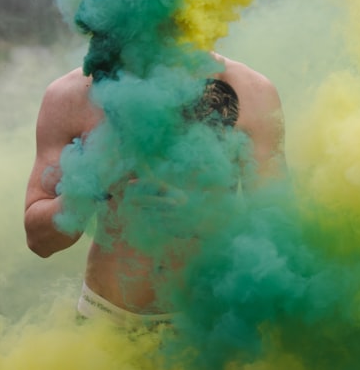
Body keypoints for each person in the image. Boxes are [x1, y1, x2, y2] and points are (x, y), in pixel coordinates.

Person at [23, 53, 284, 327]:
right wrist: (92, 184)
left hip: (211, 331)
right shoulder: (71, 95)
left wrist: (202, 218)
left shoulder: (252, 91)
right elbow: (39, 241)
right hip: (104, 324)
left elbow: (278, 234)